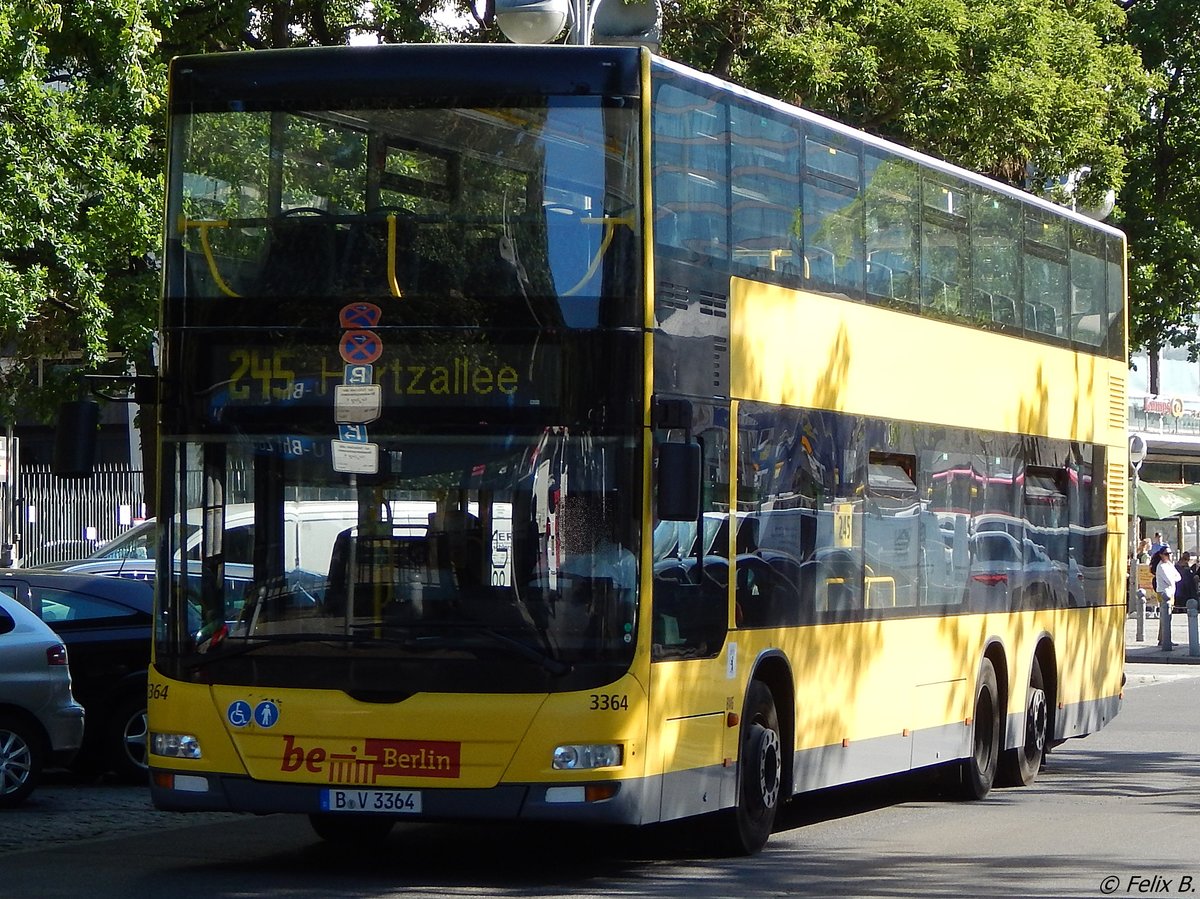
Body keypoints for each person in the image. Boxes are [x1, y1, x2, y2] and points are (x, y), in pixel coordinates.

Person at [1154, 547, 1181, 612]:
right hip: (1163, 593)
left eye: (1170, 553)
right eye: (1166, 554)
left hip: (1171, 592)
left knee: (1169, 613)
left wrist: (1172, 578)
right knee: (1164, 613)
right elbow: (1168, 581)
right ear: (1161, 555)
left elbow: (1179, 577)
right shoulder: (1161, 566)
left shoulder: (1169, 564)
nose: (1169, 556)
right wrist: (1172, 578)